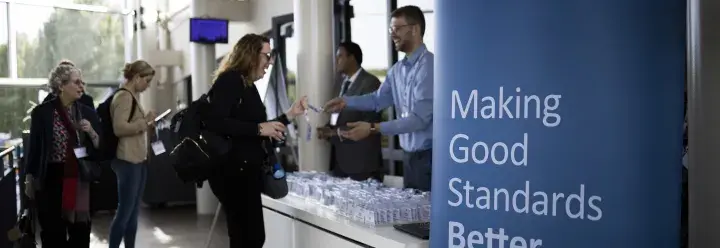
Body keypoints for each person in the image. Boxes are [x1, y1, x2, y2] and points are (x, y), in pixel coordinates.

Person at [203, 33, 307, 248]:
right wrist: (260, 128)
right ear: (251, 55)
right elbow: (216, 123)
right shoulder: (230, 80)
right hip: (232, 174)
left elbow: (252, 127)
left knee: (250, 238)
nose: (269, 62)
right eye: (266, 56)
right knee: (248, 238)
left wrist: (288, 116)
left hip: (244, 172)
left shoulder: (246, 85)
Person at [323, 5, 434, 191]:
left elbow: (419, 120)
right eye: (391, 29)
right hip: (409, 157)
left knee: (427, 218)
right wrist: (346, 101)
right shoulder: (397, 70)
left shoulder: (429, 66)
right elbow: (377, 100)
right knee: (412, 217)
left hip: (429, 158)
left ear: (414, 29)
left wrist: (373, 128)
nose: (392, 34)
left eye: (397, 28)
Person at [24, 62, 102, 248]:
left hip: (79, 179)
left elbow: (100, 146)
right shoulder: (42, 113)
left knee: (80, 235)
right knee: (52, 235)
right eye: (76, 82)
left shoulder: (88, 112)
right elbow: (34, 150)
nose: (82, 86)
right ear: (61, 85)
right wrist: (29, 180)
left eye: (82, 82)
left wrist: (90, 131)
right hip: (51, 180)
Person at [317, 41, 383, 181]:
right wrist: (328, 128)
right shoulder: (340, 83)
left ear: (351, 58)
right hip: (339, 163)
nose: (336, 61)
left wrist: (334, 133)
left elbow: (368, 122)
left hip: (361, 163)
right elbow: (338, 116)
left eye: (340, 56)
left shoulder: (370, 83)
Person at [108, 60, 156, 248]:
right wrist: (145, 122)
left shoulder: (133, 96)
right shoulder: (124, 97)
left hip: (137, 160)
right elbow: (119, 128)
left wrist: (146, 124)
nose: (148, 85)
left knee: (132, 212)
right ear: (137, 78)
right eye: (147, 81)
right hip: (128, 160)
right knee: (125, 212)